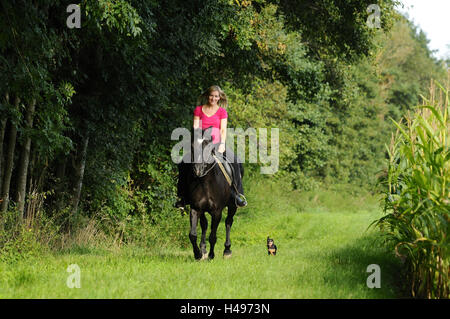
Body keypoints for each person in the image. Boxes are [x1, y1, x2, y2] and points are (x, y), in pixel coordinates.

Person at [175, 85, 247, 209]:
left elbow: (223, 130)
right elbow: (196, 128)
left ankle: (236, 194)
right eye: (211, 96)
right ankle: (182, 196)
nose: (213, 98)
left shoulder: (222, 112)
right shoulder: (198, 110)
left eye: (216, 96)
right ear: (207, 96)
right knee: (183, 162)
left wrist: (222, 145)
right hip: (201, 143)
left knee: (235, 161)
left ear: (219, 98)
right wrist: (198, 143)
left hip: (217, 143)